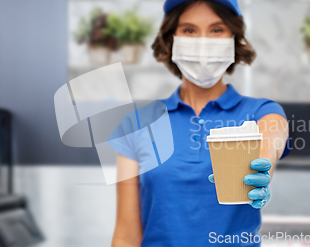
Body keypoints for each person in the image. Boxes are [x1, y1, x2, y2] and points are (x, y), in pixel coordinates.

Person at [111, 0, 289, 246]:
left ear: (233, 38)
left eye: (216, 29)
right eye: (189, 30)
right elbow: (126, 235)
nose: (203, 41)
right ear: (171, 38)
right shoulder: (137, 124)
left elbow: (273, 135)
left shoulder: (261, 111)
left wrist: (263, 164)